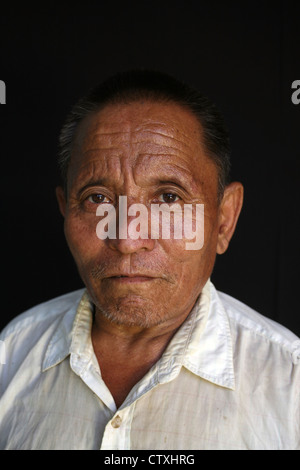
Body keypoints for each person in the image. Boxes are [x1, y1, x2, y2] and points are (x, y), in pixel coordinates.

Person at [0, 70, 299, 450]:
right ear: (65, 210)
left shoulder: (289, 387)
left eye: (169, 198)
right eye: (97, 199)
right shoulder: (11, 356)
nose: (126, 239)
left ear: (223, 220)